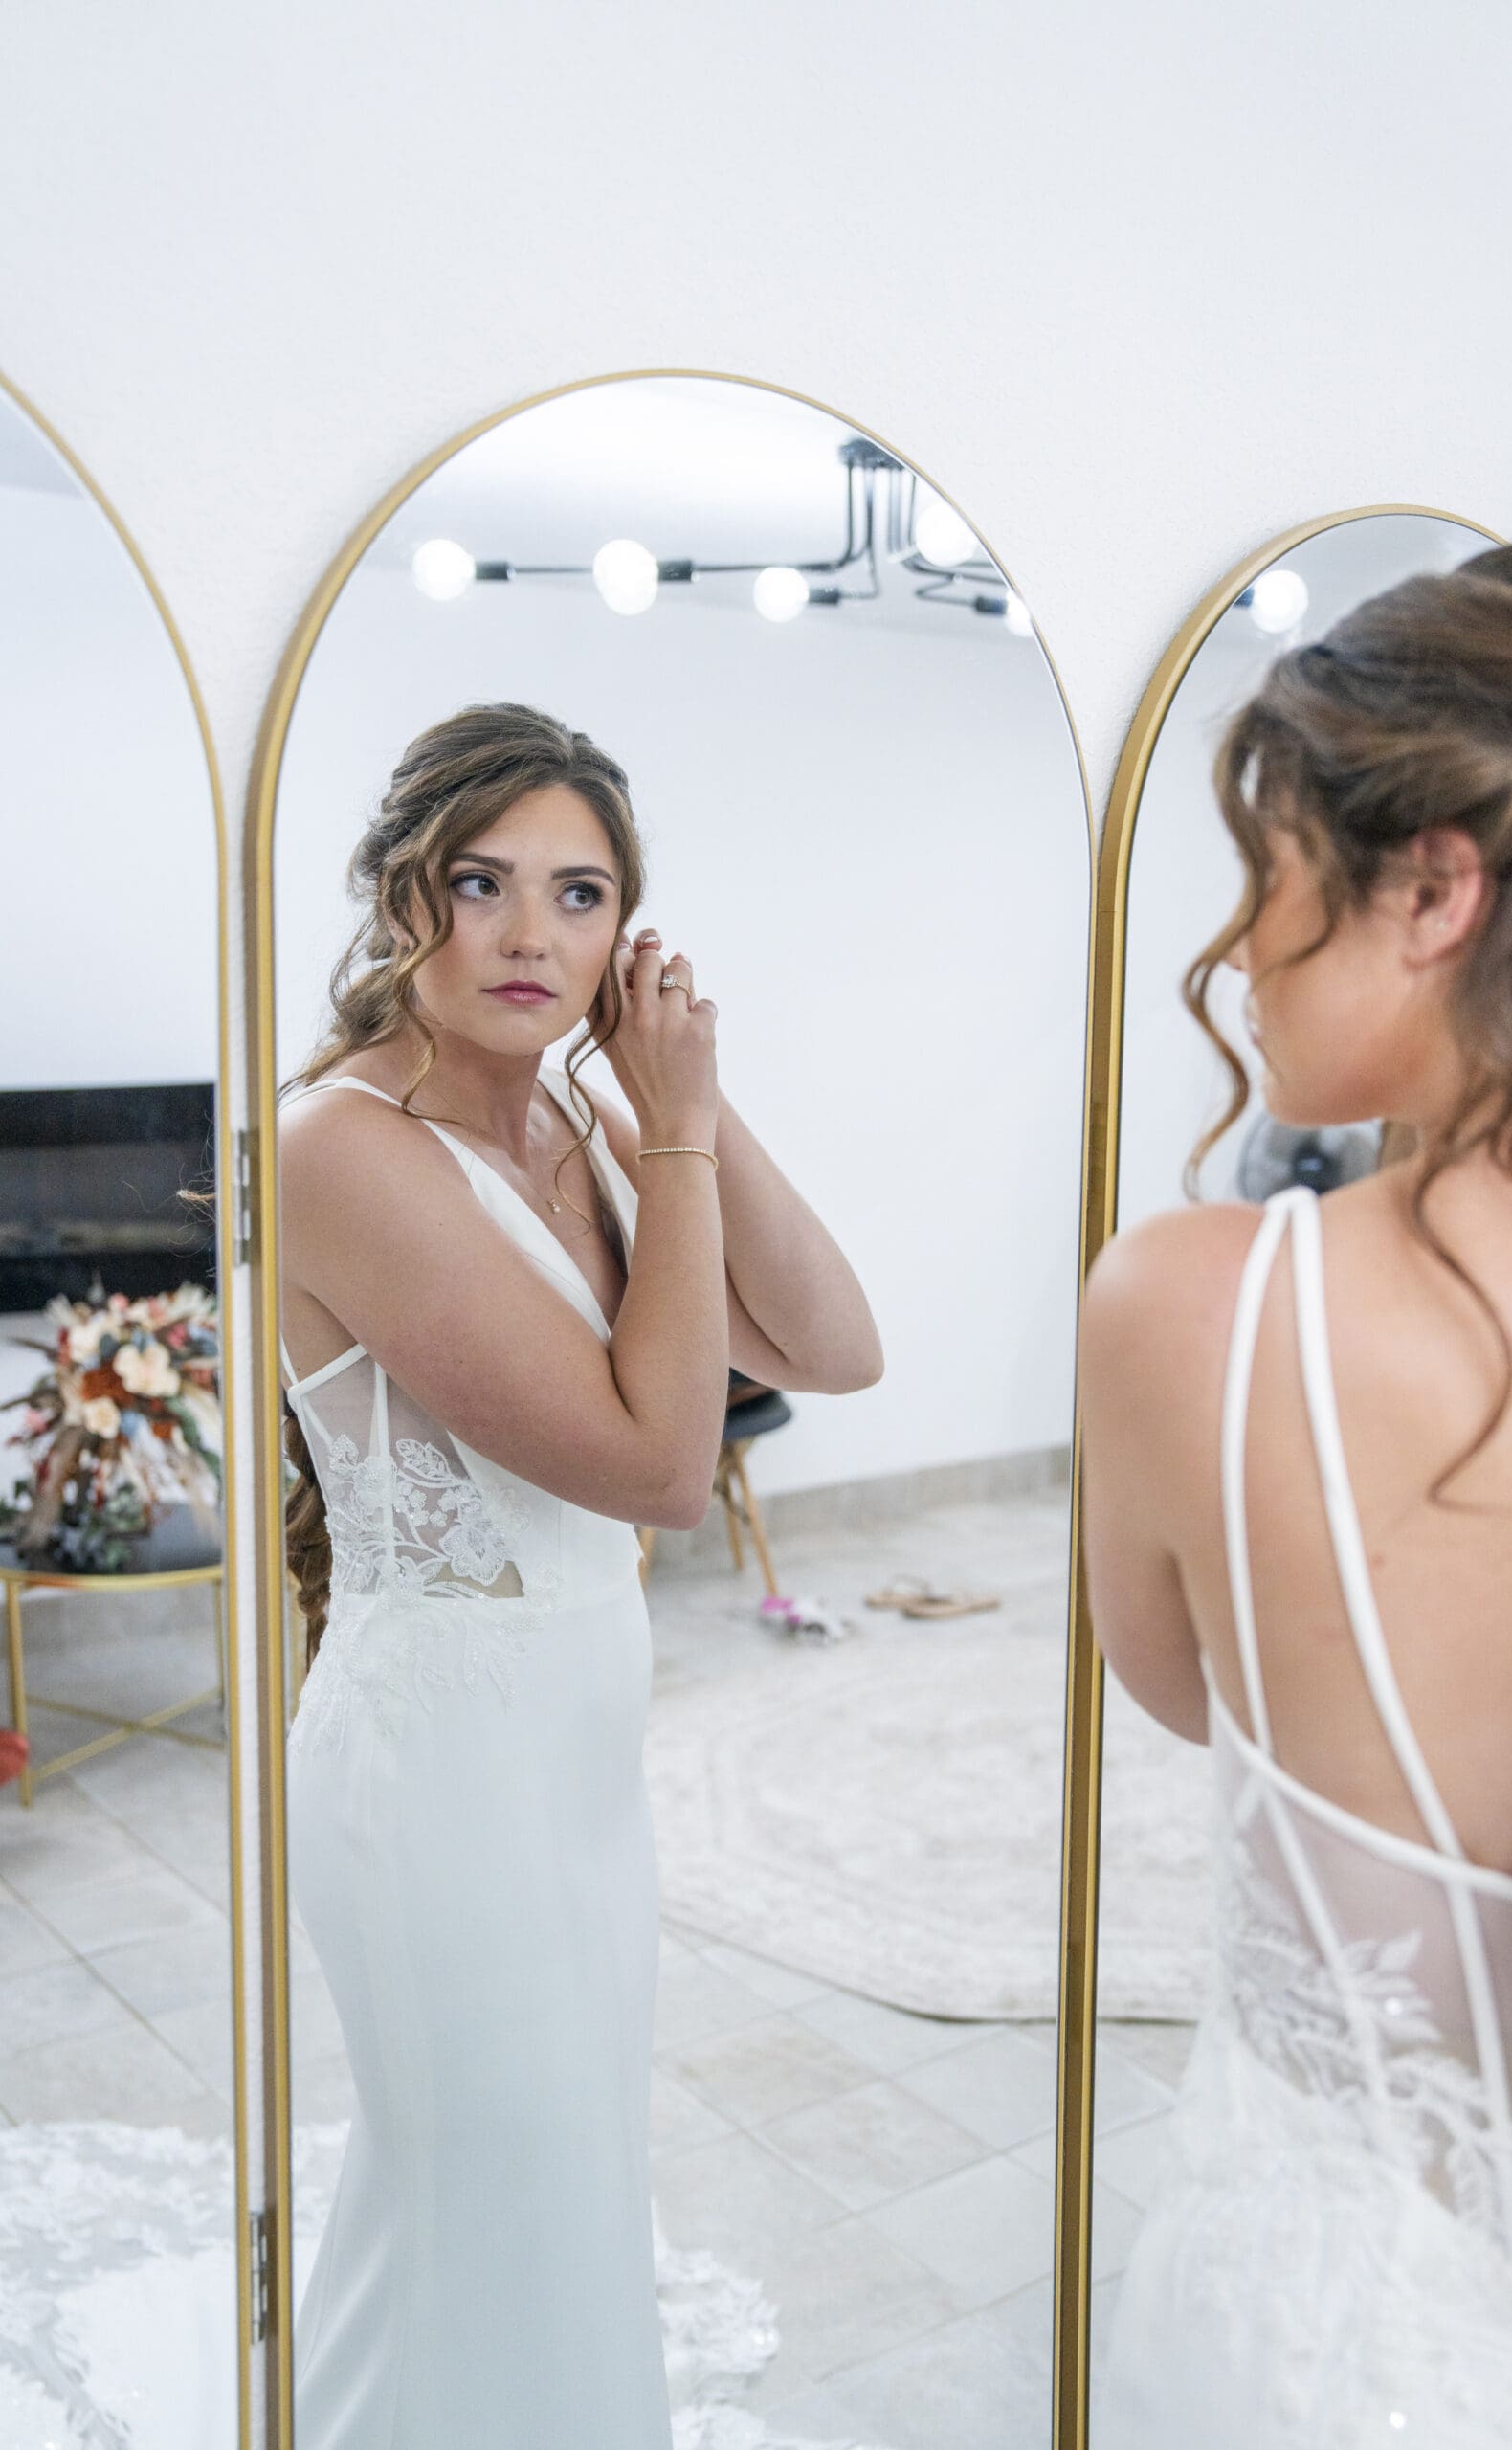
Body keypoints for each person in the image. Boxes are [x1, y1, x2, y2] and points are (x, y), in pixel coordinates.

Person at [275, 703, 882, 2450]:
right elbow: (658, 1473)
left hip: (578, 1764)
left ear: (627, 933)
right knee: (495, 2200)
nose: (528, 933)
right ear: (401, 894)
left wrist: (681, 1104)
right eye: (481, 883)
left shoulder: (581, 1122)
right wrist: (666, 1143)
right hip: (440, 1782)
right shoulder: (341, 1151)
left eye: (580, 893)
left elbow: (835, 1348)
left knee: (555, 2201)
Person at [1078, 540, 1512, 2445]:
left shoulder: (1196, 1306)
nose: (1232, 948)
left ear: (1433, 887)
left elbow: (1182, 1685)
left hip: (1326, 2350)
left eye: (1267, 870)